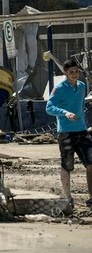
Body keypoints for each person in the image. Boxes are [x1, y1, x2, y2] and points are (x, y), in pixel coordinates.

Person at [45, 58, 92, 210]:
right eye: (71, 72)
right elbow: (49, 107)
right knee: (67, 165)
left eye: (76, 71)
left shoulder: (82, 86)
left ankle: (91, 197)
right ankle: (68, 197)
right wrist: (64, 112)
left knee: (91, 163)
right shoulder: (59, 88)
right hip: (66, 132)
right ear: (65, 73)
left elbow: (80, 105)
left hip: (82, 130)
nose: (75, 74)